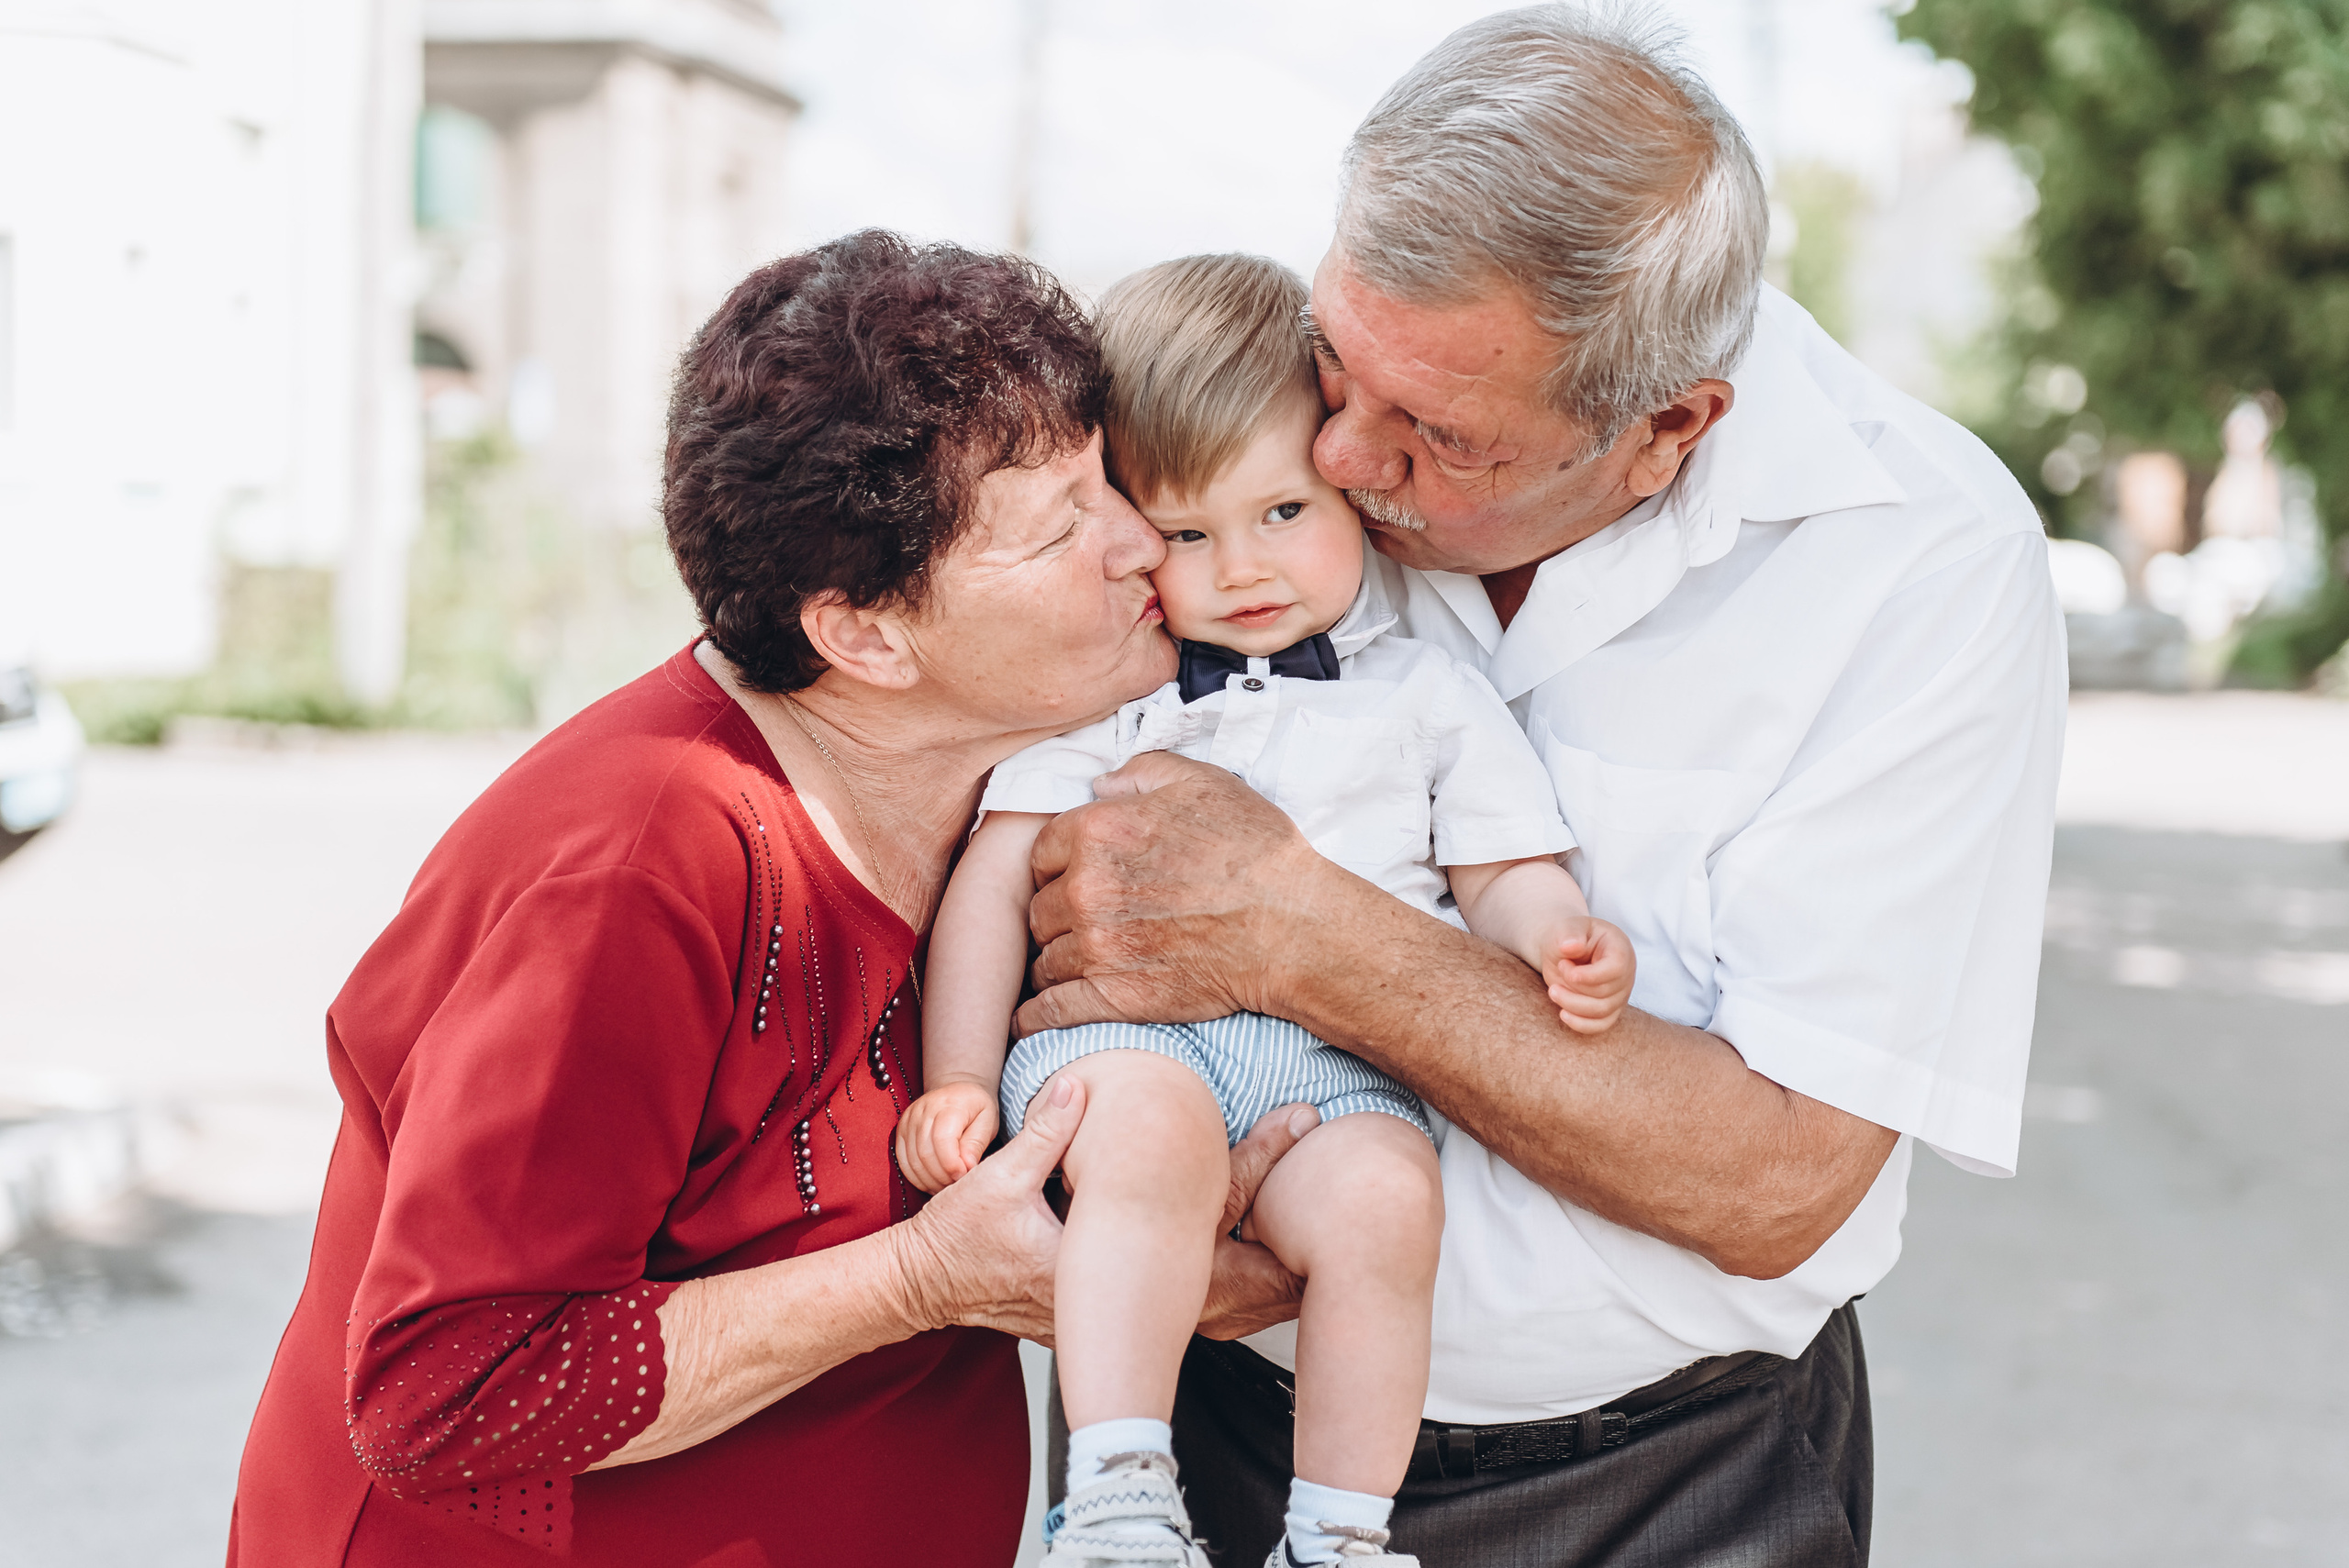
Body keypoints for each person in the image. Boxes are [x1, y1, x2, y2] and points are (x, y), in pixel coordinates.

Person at [1014, 9, 2068, 1566]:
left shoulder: (1917, 567)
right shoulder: (1261, 445)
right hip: (1199, 1426)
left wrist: (1302, 930)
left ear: (1666, 430)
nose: (1341, 457)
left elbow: (1778, 1178)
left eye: (1439, 436)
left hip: (1671, 1478)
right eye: (1336, 363)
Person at [226, 231, 1316, 1568]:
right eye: (1058, 525)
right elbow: (448, 1387)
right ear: (864, 634)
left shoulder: (1029, 778)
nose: (1140, 539)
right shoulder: (635, 867)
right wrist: (928, 1279)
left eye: (1108, 480)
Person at [896, 254, 1633, 1568]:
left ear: (1352, 489)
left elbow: (1496, 866)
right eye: (1187, 534)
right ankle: (1119, 1496)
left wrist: (1556, 935)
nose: (1242, 568)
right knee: (1155, 1143)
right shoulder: (1115, 698)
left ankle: (1337, 1535)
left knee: (1387, 1205)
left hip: (1340, 1068)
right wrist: (956, 1074)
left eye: (1283, 510)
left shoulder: (1424, 696)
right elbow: (992, 882)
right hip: (1130, 1046)